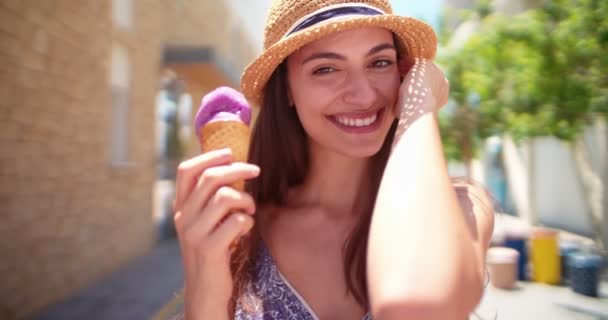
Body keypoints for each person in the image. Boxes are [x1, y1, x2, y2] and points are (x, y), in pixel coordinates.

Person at [171, 1, 495, 319]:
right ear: (286, 90)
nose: (365, 95)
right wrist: (203, 268)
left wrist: (419, 106)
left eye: (380, 62)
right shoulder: (238, 227)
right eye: (326, 68)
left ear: (403, 71)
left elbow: (414, 305)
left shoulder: (463, 207)